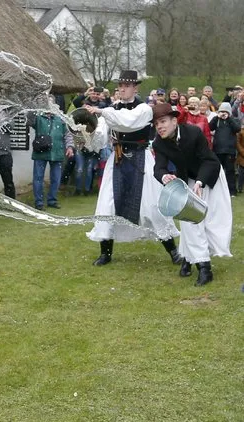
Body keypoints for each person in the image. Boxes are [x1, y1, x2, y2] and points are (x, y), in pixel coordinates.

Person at [83, 70, 181, 266]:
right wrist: (88, 127)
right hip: (117, 160)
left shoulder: (144, 109)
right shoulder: (111, 110)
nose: (122, 89)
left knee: (152, 207)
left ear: (135, 88)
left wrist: (102, 112)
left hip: (141, 160)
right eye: (120, 86)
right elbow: (100, 141)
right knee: (107, 205)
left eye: (126, 86)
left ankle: (173, 252)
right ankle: (106, 253)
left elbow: (127, 122)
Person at [152, 103, 232, 285]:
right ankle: (204, 268)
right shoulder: (159, 142)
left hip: (209, 176)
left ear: (174, 121)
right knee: (191, 222)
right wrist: (164, 176)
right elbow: (159, 168)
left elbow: (209, 161)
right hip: (186, 181)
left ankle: (188, 259)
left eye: (163, 121)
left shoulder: (193, 133)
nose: (160, 127)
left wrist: (199, 182)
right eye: (156, 124)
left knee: (212, 222)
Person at [30, 111, 74, 209]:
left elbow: (68, 134)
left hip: (57, 152)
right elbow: (28, 121)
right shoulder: (37, 117)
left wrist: (70, 147)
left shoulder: (61, 118)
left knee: (56, 179)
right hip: (40, 152)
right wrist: (31, 107)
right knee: (38, 178)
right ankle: (39, 202)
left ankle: (52, 200)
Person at [210, 102, 242, 196]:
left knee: (230, 171)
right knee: (217, 171)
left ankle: (232, 191)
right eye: (221, 111)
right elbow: (210, 127)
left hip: (229, 151)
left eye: (225, 111)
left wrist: (229, 117)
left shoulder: (233, 120)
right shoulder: (217, 120)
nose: (223, 113)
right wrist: (217, 116)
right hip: (217, 150)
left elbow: (237, 129)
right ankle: (216, 190)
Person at [236, 123, 244, 193]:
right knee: (241, 173)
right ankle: (240, 188)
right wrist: (243, 152)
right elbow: (237, 143)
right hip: (242, 157)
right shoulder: (241, 132)